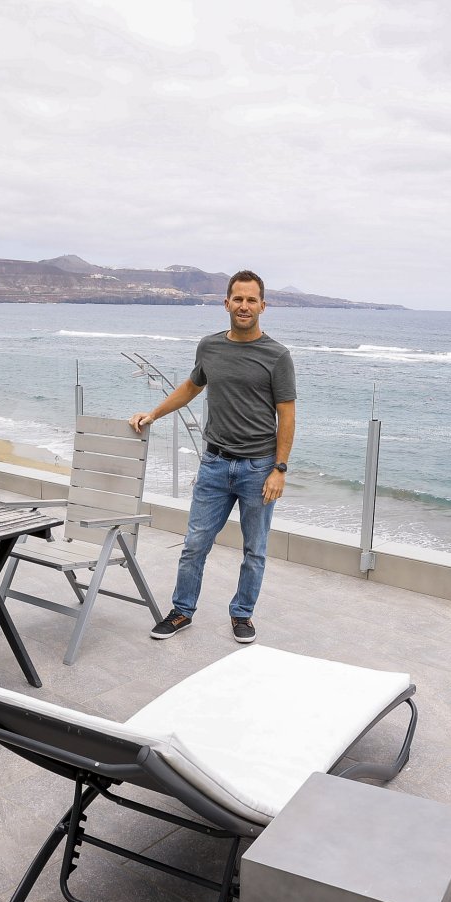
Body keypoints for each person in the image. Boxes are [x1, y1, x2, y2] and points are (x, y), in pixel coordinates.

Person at [129, 269, 295, 644]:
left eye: (252, 299)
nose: (244, 306)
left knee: (255, 549)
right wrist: (154, 413)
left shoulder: (277, 356)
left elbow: (287, 414)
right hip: (215, 465)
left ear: (263, 306)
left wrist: (279, 469)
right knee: (194, 544)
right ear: (226, 303)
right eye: (238, 298)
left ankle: (242, 614)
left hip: (258, 468)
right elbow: (191, 386)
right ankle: (182, 611)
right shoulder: (210, 346)